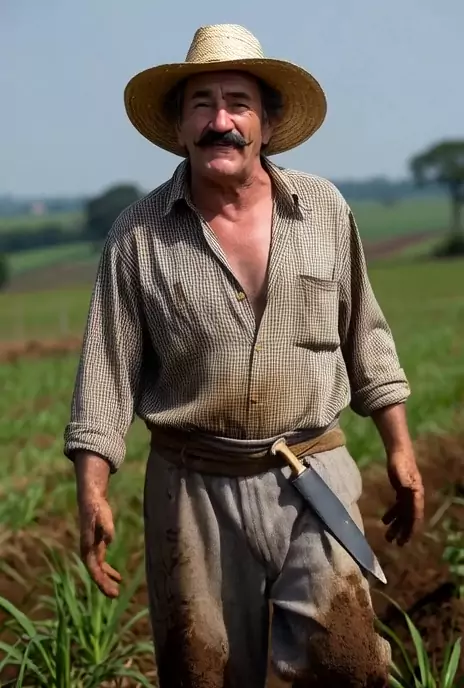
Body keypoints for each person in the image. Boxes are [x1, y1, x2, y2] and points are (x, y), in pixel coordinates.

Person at [64, 23, 425, 688]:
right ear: (180, 127)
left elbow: (366, 335)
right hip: (191, 490)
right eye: (201, 105)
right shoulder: (138, 236)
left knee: (346, 664)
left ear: (268, 123)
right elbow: (106, 376)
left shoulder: (323, 210)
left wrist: (399, 448)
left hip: (313, 472)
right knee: (204, 671)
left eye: (238, 103)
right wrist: (92, 490)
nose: (220, 121)